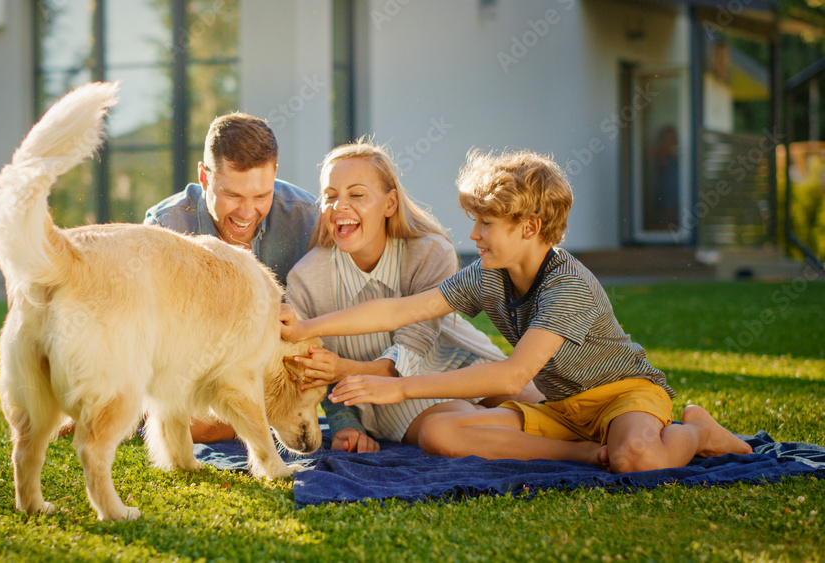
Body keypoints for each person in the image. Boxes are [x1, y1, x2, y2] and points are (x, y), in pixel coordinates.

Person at [281, 148, 753, 472]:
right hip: (564, 411)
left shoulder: (566, 285)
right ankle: (587, 454)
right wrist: (306, 325)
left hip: (623, 396)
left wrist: (400, 388)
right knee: (440, 435)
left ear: (529, 227)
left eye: (486, 224)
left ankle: (696, 429)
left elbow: (511, 377)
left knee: (637, 459)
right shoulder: (490, 273)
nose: (474, 236)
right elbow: (398, 311)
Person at [286, 140, 543, 453]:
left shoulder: (430, 252)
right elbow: (314, 375)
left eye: (356, 194)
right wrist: (347, 424)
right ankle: (581, 454)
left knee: (550, 408)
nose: (339, 206)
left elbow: (412, 349)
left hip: (458, 359)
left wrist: (341, 368)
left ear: (390, 203)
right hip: (387, 398)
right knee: (466, 429)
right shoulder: (306, 278)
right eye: (330, 196)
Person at [144, 112, 319, 443]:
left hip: (273, 368)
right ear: (204, 178)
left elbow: (332, 314)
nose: (246, 212)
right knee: (196, 423)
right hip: (192, 371)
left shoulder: (306, 218)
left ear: (275, 175)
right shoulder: (166, 227)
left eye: (261, 196)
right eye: (233, 195)